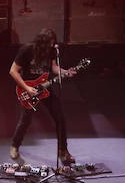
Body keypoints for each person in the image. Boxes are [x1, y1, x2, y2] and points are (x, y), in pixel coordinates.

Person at [8, 28, 76, 164]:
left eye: (52, 43)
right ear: (41, 42)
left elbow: (53, 68)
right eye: (49, 43)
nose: (51, 46)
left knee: (60, 118)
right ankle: (14, 146)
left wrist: (65, 72)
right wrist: (27, 88)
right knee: (25, 120)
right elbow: (13, 71)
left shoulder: (51, 51)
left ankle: (63, 151)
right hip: (28, 89)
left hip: (44, 87)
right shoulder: (27, 50)